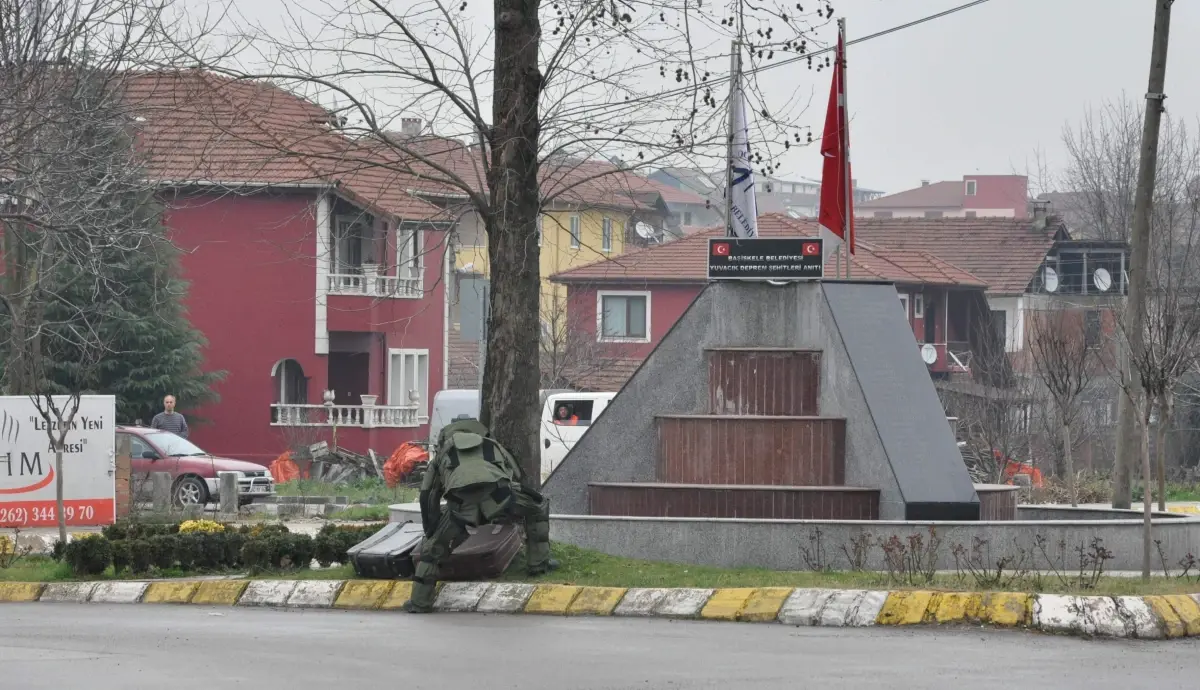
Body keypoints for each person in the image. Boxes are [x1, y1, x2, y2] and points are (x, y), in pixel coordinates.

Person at [403, 418, 558, 613]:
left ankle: (419, 603)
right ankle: (538, 564)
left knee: (432, 549)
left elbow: (428, 495)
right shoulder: (492, 445)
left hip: (461, 506)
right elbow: (515, 473)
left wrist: (431, 529)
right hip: (499, 497)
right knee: (538, 506)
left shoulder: (442, 455)